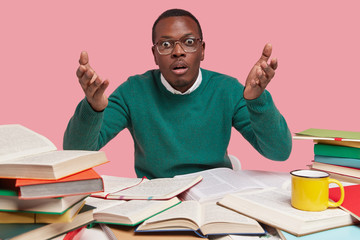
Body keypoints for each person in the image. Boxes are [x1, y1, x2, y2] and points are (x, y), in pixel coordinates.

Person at [63, 9, 292, 179]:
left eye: (189, 42)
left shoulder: (228, 90)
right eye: (166, 45)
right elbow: (75, 154)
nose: (178, 51)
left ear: (202, 51)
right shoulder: (133, 91)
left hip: (216, 194)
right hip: (156, 200)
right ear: (154, 55)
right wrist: (92, 108)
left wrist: (257, 100)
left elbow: (279, 152)